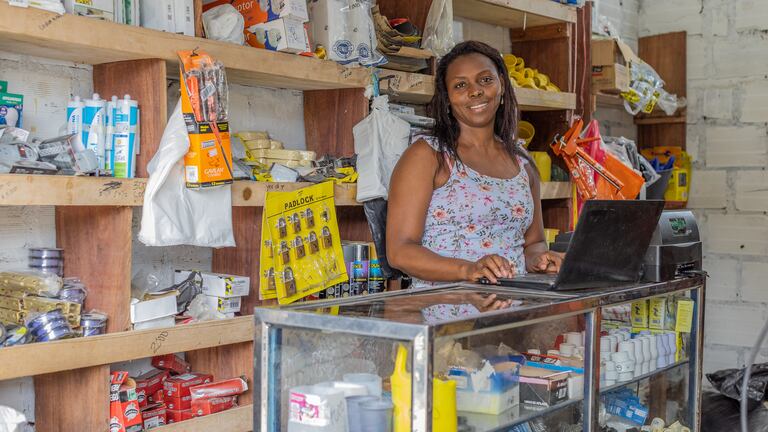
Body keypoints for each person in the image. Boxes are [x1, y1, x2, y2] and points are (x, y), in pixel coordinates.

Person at [387, 40, 564, 292]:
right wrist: (469, 269)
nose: (475, 91)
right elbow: (400, 251)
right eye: (460, 85)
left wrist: (540, 260)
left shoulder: (522, 161)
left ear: (502, 84)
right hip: (444, 312)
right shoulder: (428, 155)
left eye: (485, 80)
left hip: (510, 311)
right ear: (447, 98)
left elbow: (533, 243)